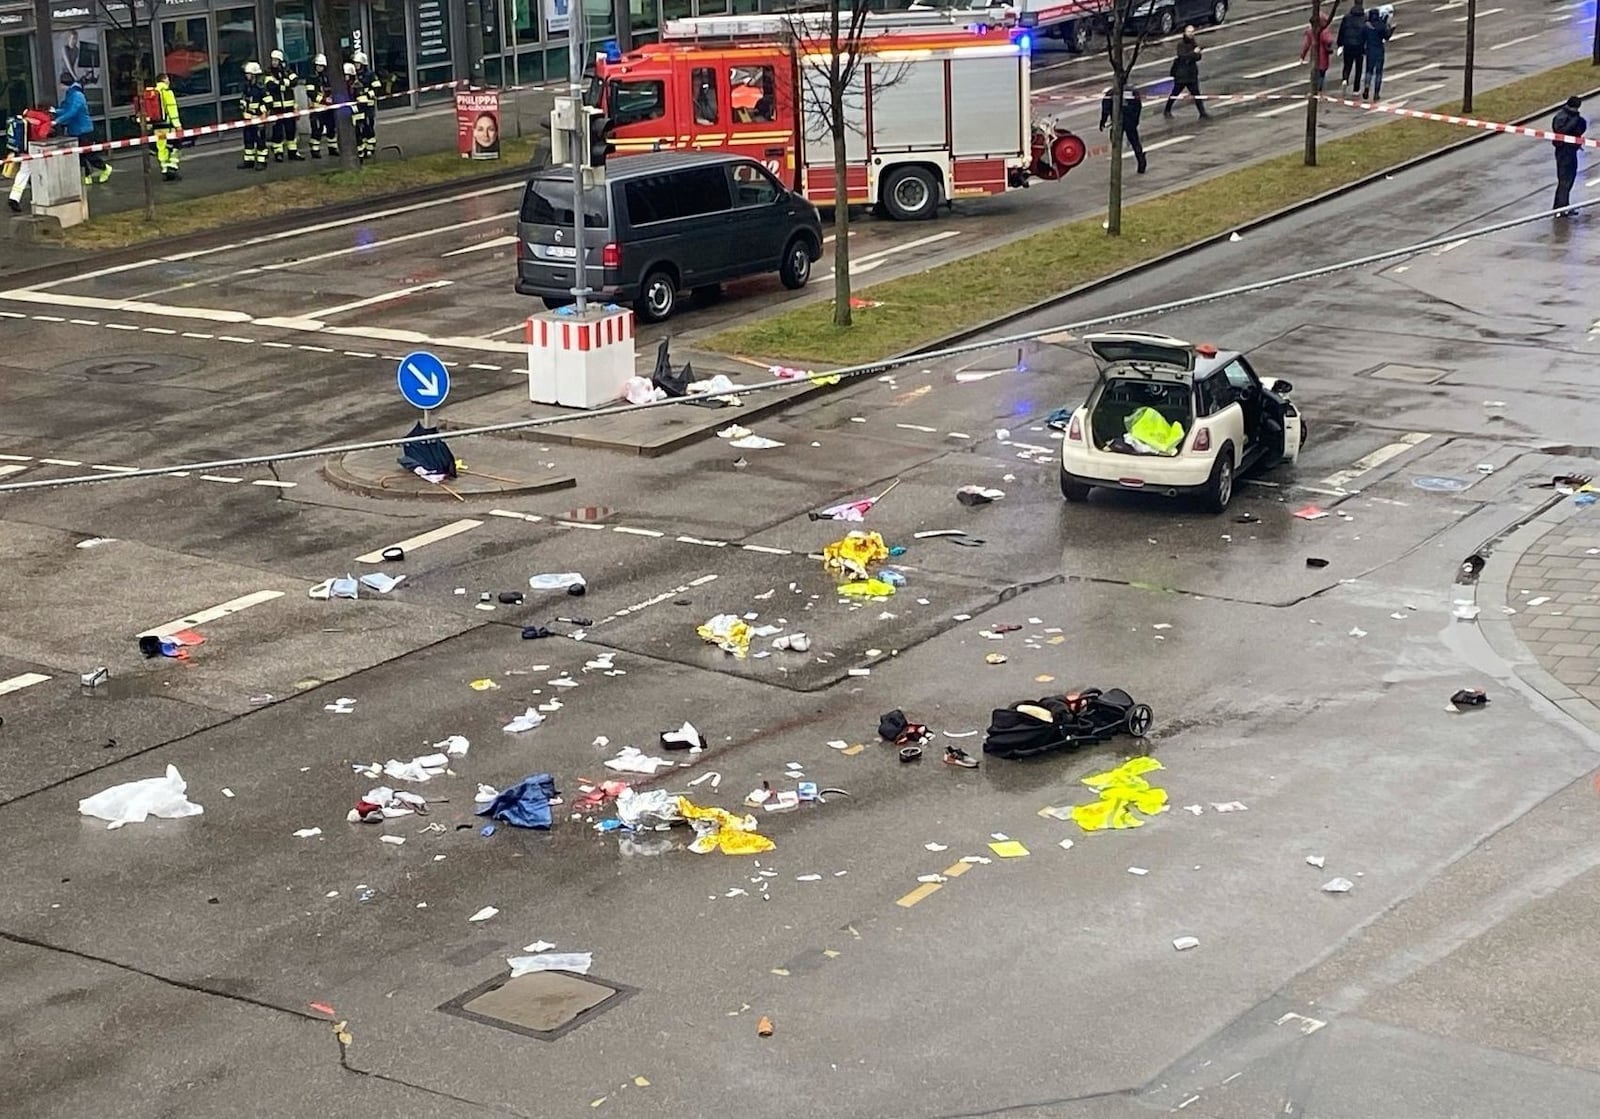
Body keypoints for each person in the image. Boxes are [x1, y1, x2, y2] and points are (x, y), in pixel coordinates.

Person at [53, 71, 109, 185]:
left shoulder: (77, 95)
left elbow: (72, 112)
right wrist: (55, 111)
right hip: (75, 129)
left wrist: (57, 120)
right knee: (79, 155)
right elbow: (66, 109)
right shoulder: (71, 93)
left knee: (88, 154)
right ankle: (86, 175)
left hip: (84, 130)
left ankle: (104, 168)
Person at [265, 50, 304, 162]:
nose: (274, 62)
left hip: (289, 107)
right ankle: (278, 153)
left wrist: (283, 83)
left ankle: (293, 152)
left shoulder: (288, 71)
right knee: (277, 131)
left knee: (290, 130)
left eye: (276, 60)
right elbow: (270, 86)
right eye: (273, 60)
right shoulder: (269, 72)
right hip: (277, 107)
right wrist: (283, 85)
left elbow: (295, 81)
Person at [1551, 95, 1587, 216]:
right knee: (1565, 180)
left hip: (1567, 150)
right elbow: (1564, 131)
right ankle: (1560, 208)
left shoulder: (1561, 115)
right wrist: (1576, 120)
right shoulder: (1569, 118)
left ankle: (1563, 206)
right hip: (1565, 152)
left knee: (1566, 180)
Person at [1100, 84, 1146, 174]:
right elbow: (1138, 107)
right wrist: (1135, 120)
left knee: (1115, 142)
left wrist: (1103, 121)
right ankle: (1141, 161)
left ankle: (1116, 161)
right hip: (1130, 121)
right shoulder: (1133, 92)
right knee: (1135, 142)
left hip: (1117, 121)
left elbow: (1105, 108)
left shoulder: (1111, 92)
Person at [1164, 27, 1209, 120]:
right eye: (1189, 32)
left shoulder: (1194, 43)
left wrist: (1196, 53)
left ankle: (1202, 113)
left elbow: (1198, 57)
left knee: (1196, 94)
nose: (1191, 34)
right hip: (1182, 74)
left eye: (1192, 32)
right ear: (1185, 32)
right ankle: (1167, 109)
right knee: (1175, 92)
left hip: (1191, 74)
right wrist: (1194, 53)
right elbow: (1182, 56)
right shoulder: (1181, 44)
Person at [237, 61, 269, 170]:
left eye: (249, 74)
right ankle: (249, 161)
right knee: (248, 140)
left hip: (258, 119)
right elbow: (243, 99)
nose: (247, 76)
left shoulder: (261, 88)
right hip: (247, 119)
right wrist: (243, 107)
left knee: (260, 141)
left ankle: (262, 161)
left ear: (254, 74)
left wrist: (260, 111)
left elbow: (269, 102)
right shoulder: (247, 87)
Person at [150, 72, 181, 181]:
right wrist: (177, 125)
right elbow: (172, 109)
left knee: (161, 147)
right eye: (167, 79)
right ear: (165, 80)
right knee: (174, 145)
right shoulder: (167, 92)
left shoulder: (152, 92)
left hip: (157, 126)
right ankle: (172, 168)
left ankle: (164, 169)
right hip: (167, 125)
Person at [307, 53, 338, 158]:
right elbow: (311, 93)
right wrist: (324, 100)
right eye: (317, 66)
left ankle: (332, 148)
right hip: (317, 109)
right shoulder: (311, 78)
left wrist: (332, 98)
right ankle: (315, 149)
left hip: (329, 108)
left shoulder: (328, 77)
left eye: (321, 66)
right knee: (317, 129)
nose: (319, 68)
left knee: (331, 127)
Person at [352, 51, 381, 162]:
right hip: (359, 106)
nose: (356, 65)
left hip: (368, 105)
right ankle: (363, 148)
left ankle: (370, 147)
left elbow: (377, 88)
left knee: (369, 126)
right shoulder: (354, 75)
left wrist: (368, 94)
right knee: (361, 127)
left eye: (358, 63)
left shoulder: (370, 75)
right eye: (355, 63)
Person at [1361, 6, 1393, 101]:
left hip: (1370, 50)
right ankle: (1376, 93)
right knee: (1378, 73)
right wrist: (1391, 30)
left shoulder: (1366, 26)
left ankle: (1366, 86)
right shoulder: (1381, 26)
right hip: (1379, 50)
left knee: (1368, 71)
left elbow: (1362, 38)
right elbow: (1386, 37)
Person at [1300, 8, 1334, 93]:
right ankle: (1319, 89)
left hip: (1314, 57)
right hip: (1323, 58)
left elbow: (1306, 44)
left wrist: (1302, 56)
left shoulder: (1310, 31)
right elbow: (1329, 40)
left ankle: (1314, 89)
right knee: (1321, 74)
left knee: (1315, 74)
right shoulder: (1324, 31)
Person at [1338, 0, 1366, 91]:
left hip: (1348, 44)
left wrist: (1340, 43)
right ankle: (1356, 88)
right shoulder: (1365, 18)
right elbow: (1366, 32)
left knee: (1347, 64)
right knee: (1358, 67)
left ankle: (1345, 78)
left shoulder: (1347, 17)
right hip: (1359, 45)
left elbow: (1342, 31)